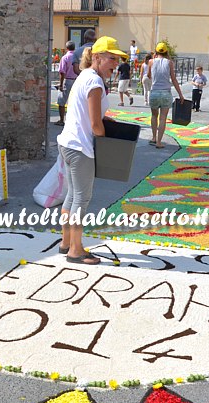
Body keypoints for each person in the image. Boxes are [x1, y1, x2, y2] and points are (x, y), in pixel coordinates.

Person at [57, 36, 124, 265]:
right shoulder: (95, 82)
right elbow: (96, 125)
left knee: (72, 195)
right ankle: (75, 251)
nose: (115, 64)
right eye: (111, 59)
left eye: (117, 59)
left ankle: (66, 242)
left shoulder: (84, 75)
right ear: (97, 58)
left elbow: (88, 115)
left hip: (67, 142)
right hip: (80, 147)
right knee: (81, 199)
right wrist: (110, 147)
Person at [147, 42, 185, 149]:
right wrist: (180, 94)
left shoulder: (151, 61)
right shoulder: (169, 63)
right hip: (166, 93)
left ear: (156, 52)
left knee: (154, 116)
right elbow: (173, 79)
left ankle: (154, 137)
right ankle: (159, 142)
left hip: (154, 92)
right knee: (163, 118)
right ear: (166, 52)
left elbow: (149, 75)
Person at [56, 41, 77, 126]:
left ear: (66, 48)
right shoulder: (77, 57)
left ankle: (61, 120)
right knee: (75, 102)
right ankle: (74, 120)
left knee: (62, 101)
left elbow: (62, 72)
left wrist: (60, 84)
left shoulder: (65, 57)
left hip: (67, 80)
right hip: (76, 80)